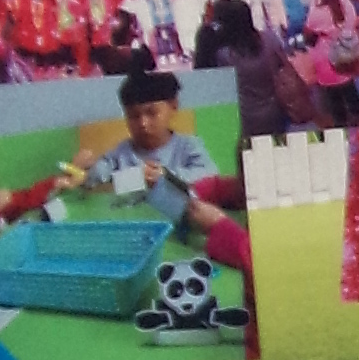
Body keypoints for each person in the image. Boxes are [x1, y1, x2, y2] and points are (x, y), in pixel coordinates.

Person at [59, 66, 241, 244]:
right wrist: (83, 168)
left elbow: (210, 174)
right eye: (133, 116)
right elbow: (94, 179)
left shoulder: (187, 146)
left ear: (173, 106)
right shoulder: (121, 152)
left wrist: (165, 176)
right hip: (136, 233)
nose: (143, 123)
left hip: (178, 232)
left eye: (152, 113)